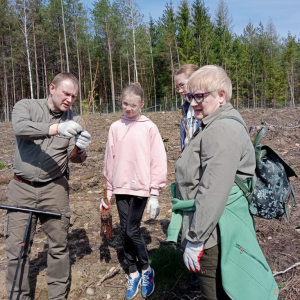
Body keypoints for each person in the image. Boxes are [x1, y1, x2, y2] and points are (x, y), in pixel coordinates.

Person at [168, 65, 278, 300]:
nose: (194, 102)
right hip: (215, 228)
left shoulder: (222, 130)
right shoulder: (215, 123)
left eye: (200, 96)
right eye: (190, 96)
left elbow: (212, 191)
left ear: (221, 95)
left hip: (214, 235)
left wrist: (196, 239)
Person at [5, 72, 92, 300]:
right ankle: (18, 296)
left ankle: (57, 295)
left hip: (55, 188)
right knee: (17, 249)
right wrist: (56, 129)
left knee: (58, 247)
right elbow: (21, 129)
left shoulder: (76, 119)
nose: (70, 100)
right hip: (21, 187)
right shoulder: (26, 106)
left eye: (74, 96)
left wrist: (80, 149)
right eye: (66, 93)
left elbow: (75, 158)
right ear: (52, 88)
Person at [103, 83, 167, 300]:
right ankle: (132, 272)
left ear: (142, 103)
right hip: (120, 187)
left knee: (131, 230)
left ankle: (147, 269)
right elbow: (109, 160)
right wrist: (108, 190)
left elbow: (157, 159)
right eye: (124, 104)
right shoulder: (115, 127)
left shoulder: (149, 127)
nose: (128, 108)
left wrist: (154, 192)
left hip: (140, 187)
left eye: (133, 105)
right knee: (124, 231)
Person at [174, 64, 200, 152]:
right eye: (177, 87)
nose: (180, 90)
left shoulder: (206, 109)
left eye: (182, 85)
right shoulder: (185, 109)